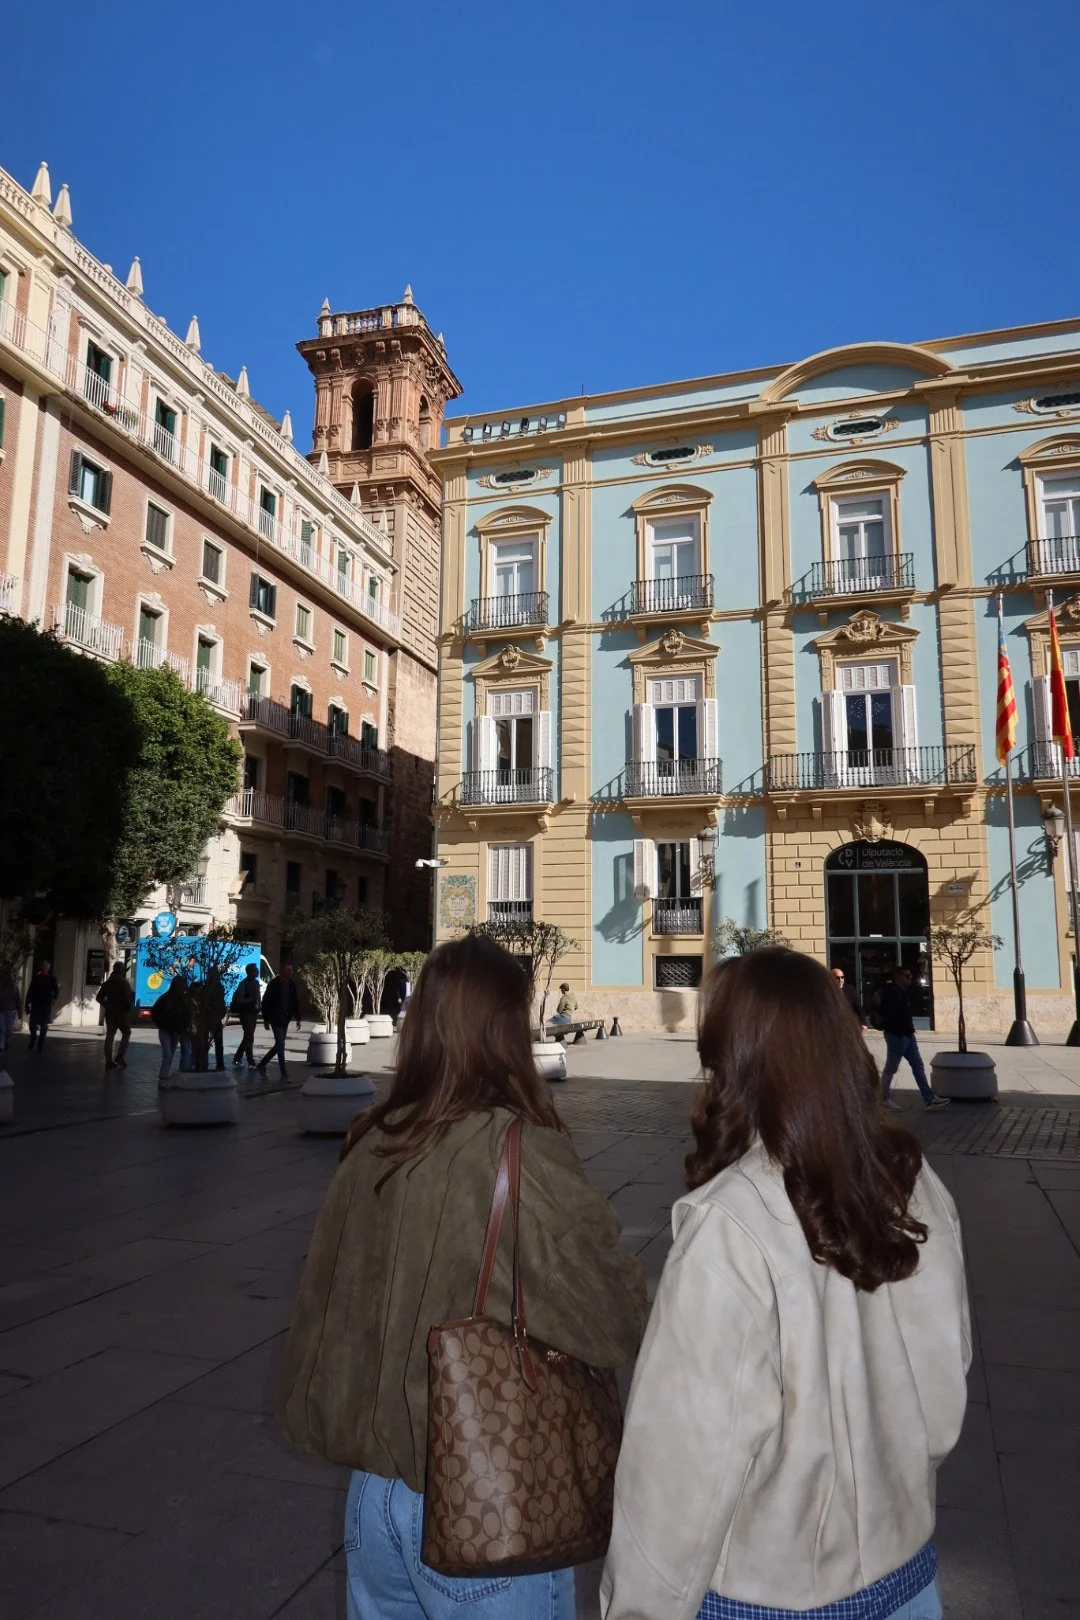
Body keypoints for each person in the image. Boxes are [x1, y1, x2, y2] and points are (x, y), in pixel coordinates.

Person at [278, 934, 647, 1620]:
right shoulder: (519, 1150)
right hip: (480, 1493)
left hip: (374, 1497)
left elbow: (329, 1306)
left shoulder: (371, 1137)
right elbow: (610, 1319)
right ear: (507, 1028)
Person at [602, 947, 970, 1620]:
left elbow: (681, 1471)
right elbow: (943, 1394)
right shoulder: (914, 1188)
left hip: (767, 1595)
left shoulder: (728, 1226)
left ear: (732, 1058)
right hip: (908, 1581)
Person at [881, 966, 950, 1112]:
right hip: (898, 1036)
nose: (910, 978)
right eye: (907, 975)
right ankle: (883, 1099)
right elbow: (892, 1016)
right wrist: (899, 1031)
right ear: (898, 977)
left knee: (918, 1065)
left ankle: (930, 1099)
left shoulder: (902, 992)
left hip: (907, 1035)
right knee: (891, 1068)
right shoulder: (892, 992)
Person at [256, 963, 300, 1080]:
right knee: (280, 1044)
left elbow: (294, 1002)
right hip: (275, 1018)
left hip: (285, 1019)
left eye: (291, 971)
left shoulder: (291, 985)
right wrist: (266, 1019)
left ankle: (263, 1063)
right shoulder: (274, 984)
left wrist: (298, 1018)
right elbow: (266, 1002)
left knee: (279, 1045)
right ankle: (284, 1072)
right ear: (282, 971)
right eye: (288, 970)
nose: (290, 973)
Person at [152, 976, 189, 1083]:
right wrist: (163, 1024)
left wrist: (180, 1030)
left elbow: (184, 1017)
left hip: (175, 1031)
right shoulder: (166, 998)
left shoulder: (183, 1000)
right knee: (168, 1054)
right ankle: (163, 1076)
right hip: (166, 1030)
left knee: (170, 1054)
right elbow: (155, 1013)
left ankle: (164, 1075)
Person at [96, 961, 133, 1069]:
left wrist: (106, 1005)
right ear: (122, 971)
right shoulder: (124, 983)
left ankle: (108, 1060)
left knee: (110, 1036)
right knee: (126, 1032)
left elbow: (99, 997)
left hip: (110, 1012)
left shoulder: (108, 983)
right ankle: (120, 1055)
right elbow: (127, 999)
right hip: (121, 1013)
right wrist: (128, 1009)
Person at [231, 962, 262, 1067]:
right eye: (255, 970)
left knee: (248, 1037)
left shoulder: (256, 983)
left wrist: (258, 1004)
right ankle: (250, 1060)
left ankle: (238, 1058)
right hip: (245, 1013)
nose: (257, 971)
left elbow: (258, 997)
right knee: (249, 1037)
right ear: (249, 972)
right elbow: (240, 1000)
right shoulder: (243, 984)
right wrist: (252, 999)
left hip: (253, 1013)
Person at [25, 960, 59, 1053]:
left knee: (44, 1025)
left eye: (46, 967)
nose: (44, 968)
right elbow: (30, 991)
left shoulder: (52, 979)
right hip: (36, 1004)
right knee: (32, 1023)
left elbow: (56, 991)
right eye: (43, 966)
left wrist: (53, 1000)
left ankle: (40, 1044)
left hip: (45, 1005)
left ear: (48, 968)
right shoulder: (36, 978)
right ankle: (33, 1038)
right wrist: (27, 1003)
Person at [203, 967, 227, 1072]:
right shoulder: (218, 987)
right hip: (214, 1017)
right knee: (217, 1043)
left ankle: (205, 1063)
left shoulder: (209, 987)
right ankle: (219, 1064)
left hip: (211, 1017)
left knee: (208, 1042)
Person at [831, 964, 867, 1029]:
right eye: (837, 978)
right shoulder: (827, 990)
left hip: (848, 1024)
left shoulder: (850, 989)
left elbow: (858, 1007)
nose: (840, 980)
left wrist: (863, 1023)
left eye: (842, 977)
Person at [0, 970, 21, 1054]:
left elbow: (18, 1001)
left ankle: (6, 1042)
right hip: (0, 1011)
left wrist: (20, 1014)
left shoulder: (15, 988)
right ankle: (1, 1045)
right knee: (2, 1029)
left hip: (11, 1012)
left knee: (8, 1030)